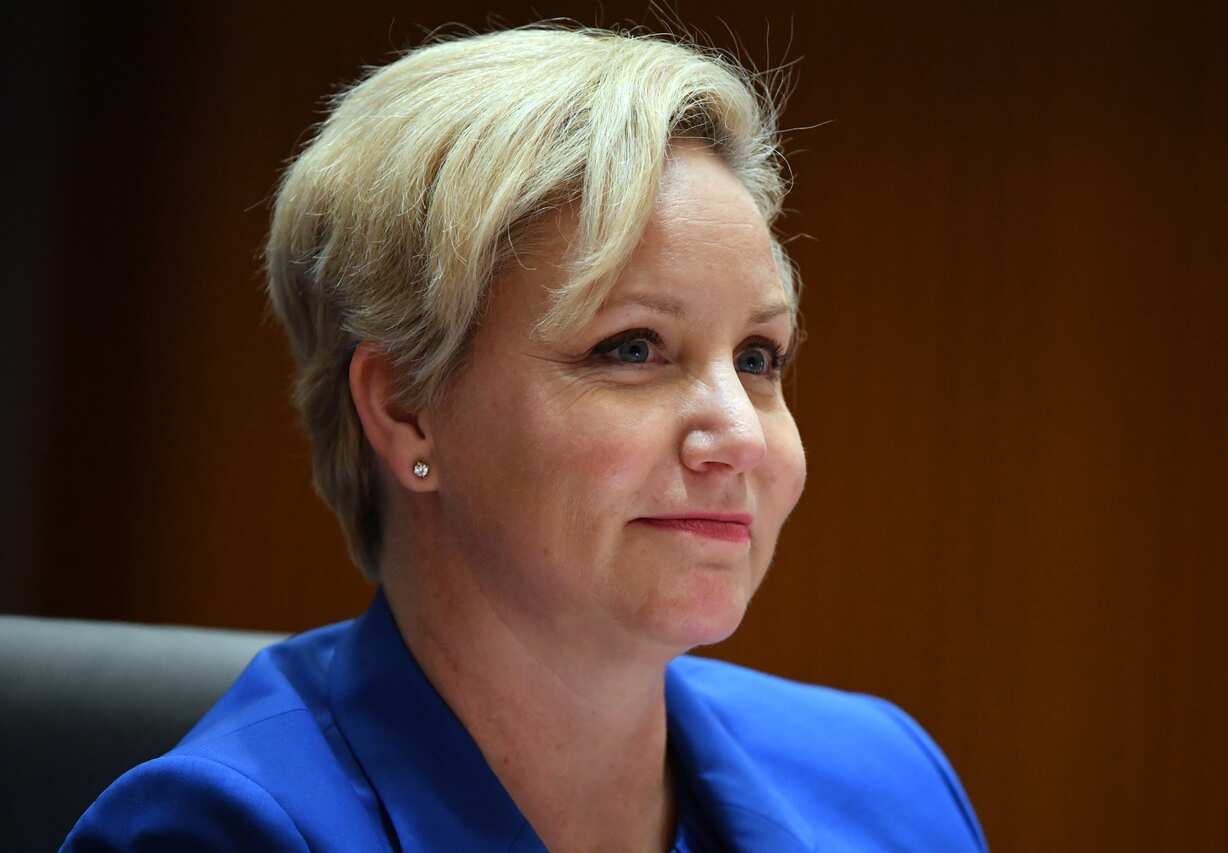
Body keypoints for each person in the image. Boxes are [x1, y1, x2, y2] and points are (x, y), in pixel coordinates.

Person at [63, 24, 987, 852]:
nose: (740, 436)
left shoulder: (889, 784)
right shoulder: (225, 833)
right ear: (408, 408)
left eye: (758, 356)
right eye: (633, 348)